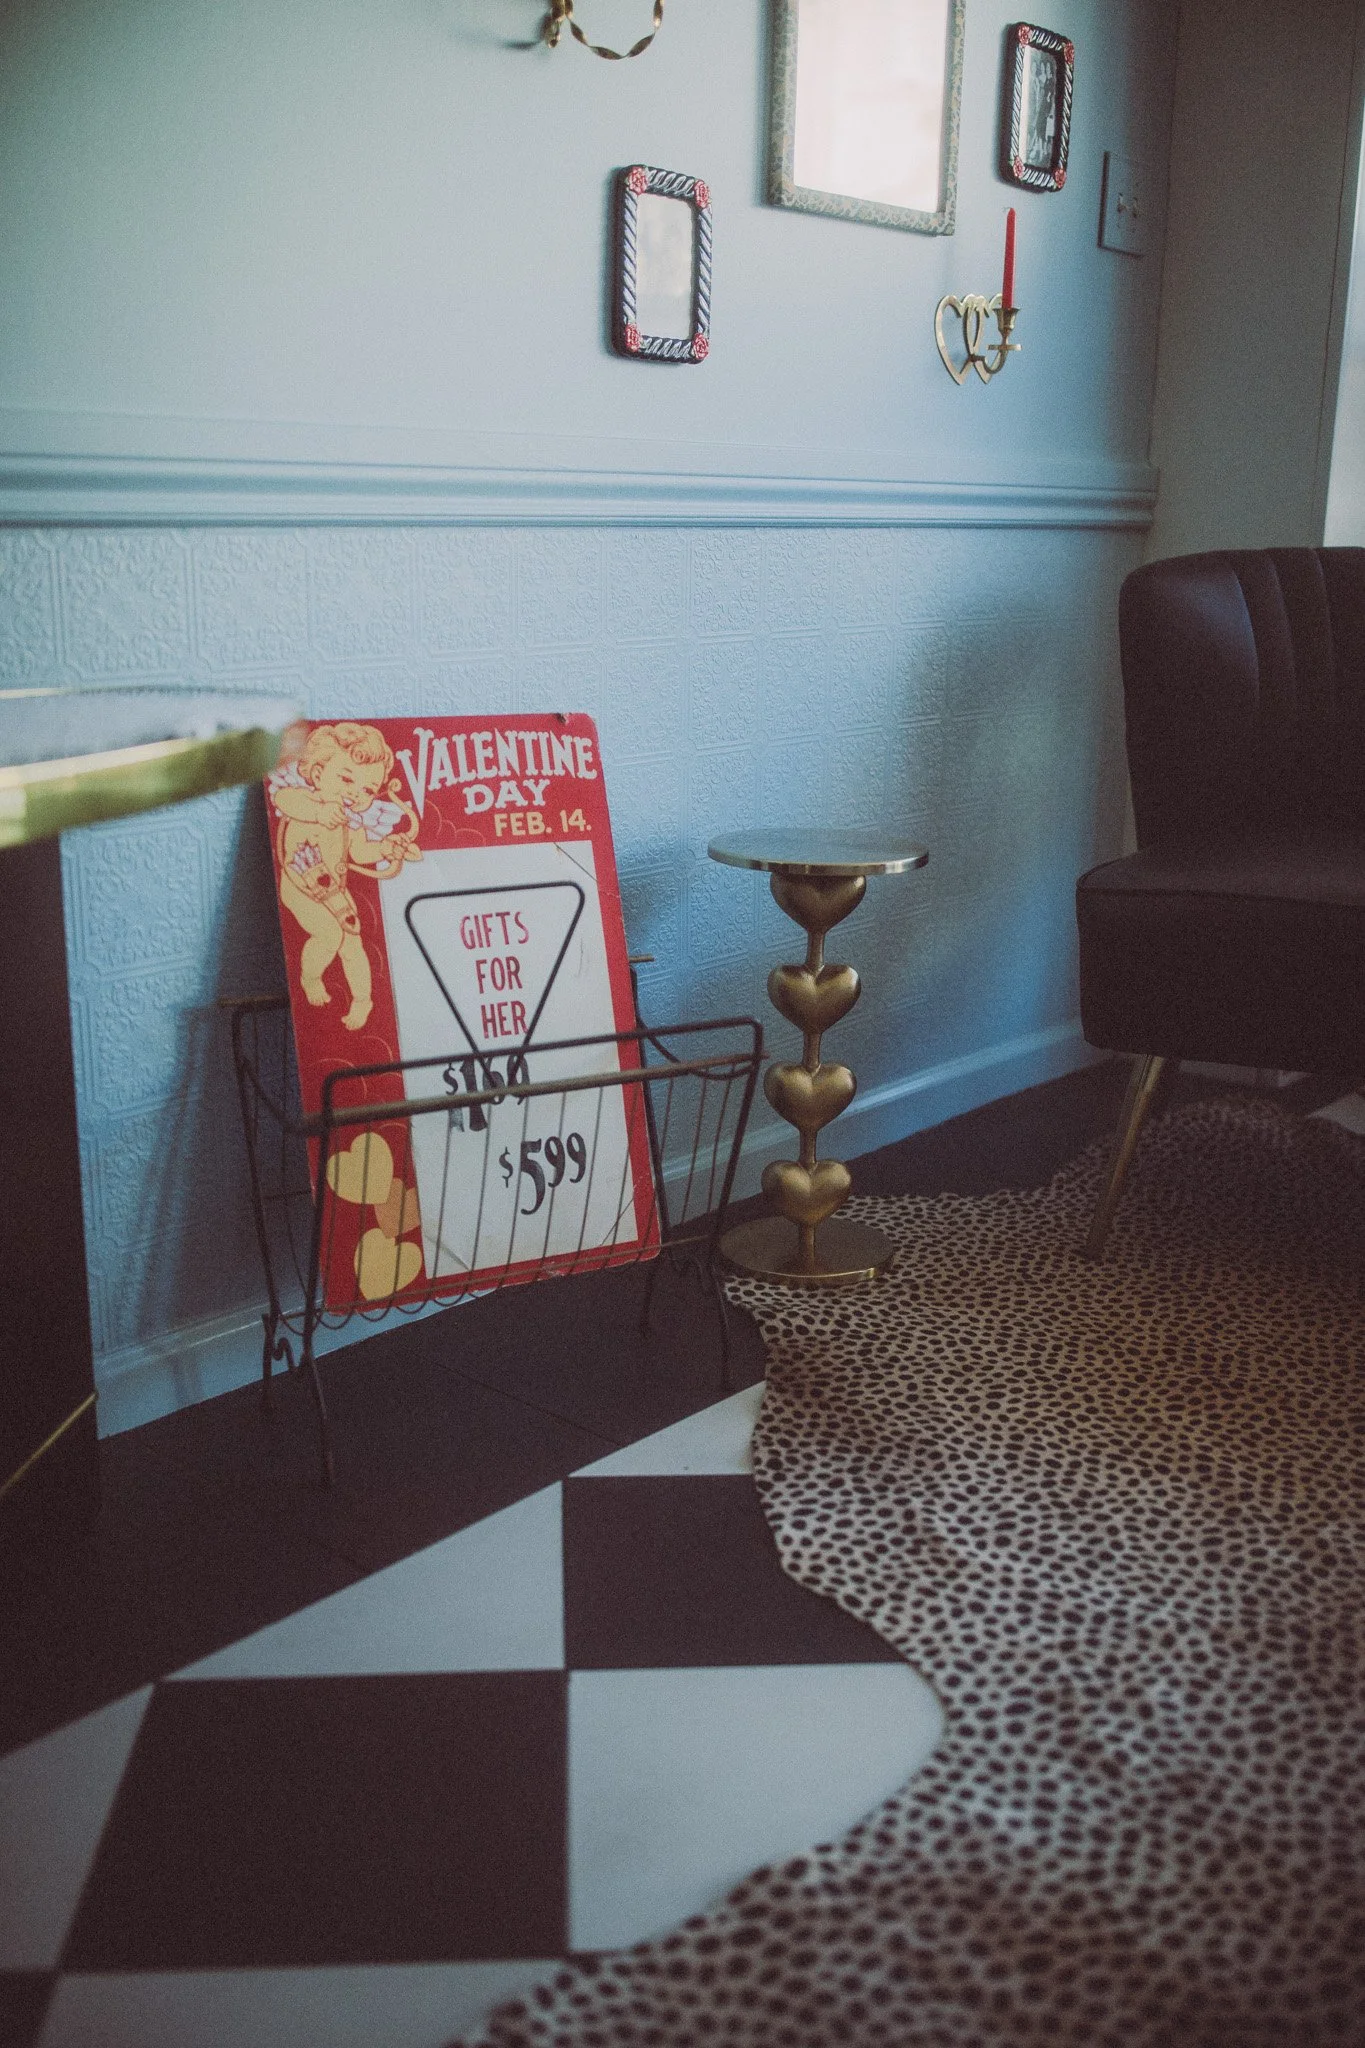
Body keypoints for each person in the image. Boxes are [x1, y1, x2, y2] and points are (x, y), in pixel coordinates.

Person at [269, 721, 420, 1030]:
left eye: (366, 790)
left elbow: (360, 852)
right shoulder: (304, 799)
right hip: (300, 887)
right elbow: (283, 800)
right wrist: (319, 812)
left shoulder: (351, 822)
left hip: (334, 889)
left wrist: (387, 848)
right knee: (329, 934)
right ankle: (310, 978)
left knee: (353, 945)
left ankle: (363, 1000)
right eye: (346, 778)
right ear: (318, 772)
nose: (355, 794)